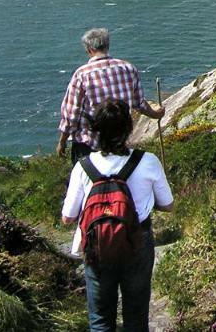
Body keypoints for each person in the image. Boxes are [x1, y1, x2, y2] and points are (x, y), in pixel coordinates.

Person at [62, 99, 173, 332]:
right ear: (128, 128)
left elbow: (68, 218)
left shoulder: (83, 167)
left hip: (97, 246)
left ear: (97, 131)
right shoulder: (147, 161)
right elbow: (168, 205)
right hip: (137, 242)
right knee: (136, 317)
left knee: (101, 320)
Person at [58, 27, 165, 164]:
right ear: (107, 46)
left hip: (90, 145)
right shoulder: (128, 68)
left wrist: (62, 142)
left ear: (88, 49)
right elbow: (139, 103)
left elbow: (71, 114)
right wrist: (156, 114)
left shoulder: (82, 74)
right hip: (120, 143)